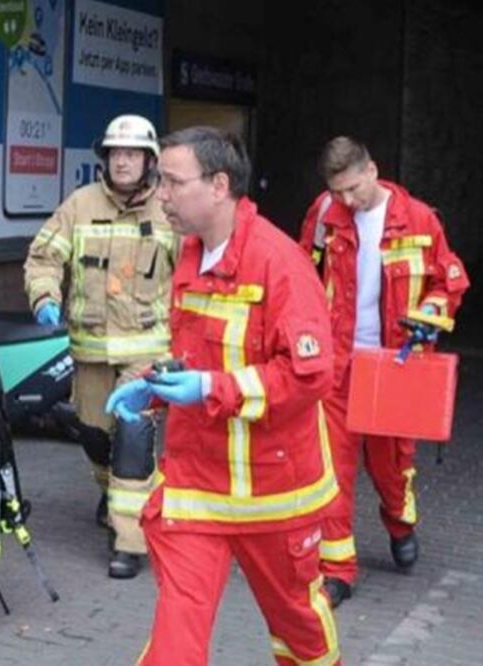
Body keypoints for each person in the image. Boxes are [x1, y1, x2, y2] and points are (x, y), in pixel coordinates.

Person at [107, 126, 341, 665]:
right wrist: (158, 384)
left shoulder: (280, 264)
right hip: (198, 487)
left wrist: (212, 387)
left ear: (219, 185)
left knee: (299, 631)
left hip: (275, 492)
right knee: (175, 643)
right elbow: (199, 355)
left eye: (171, 181)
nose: (160, 193)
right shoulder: (190, 254)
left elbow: (311, 376)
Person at [298, 136, 470, 607]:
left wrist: (431, 312)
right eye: (338, 193)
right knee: (331, 469)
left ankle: (399, 520)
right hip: (337, 365)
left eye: (353, 189)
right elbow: (302, 275)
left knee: (390, 466)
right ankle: (337, 571)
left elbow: (449, 279)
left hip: (394, 366)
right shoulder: (323, 216)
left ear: (372, 170)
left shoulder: (418, 219)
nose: (347, 201)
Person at [24, 114, 176, 579]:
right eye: (115, 153)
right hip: (88, 347)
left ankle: (128, 540)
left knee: (132, 436)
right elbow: (44, 256)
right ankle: (112, 492)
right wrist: (45, 296)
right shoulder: (80, 203)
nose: (123, 161)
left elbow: (195, 273)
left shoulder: (170, 210)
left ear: (150, 161)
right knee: (93, 433)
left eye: (132, 154)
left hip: (146, 350)